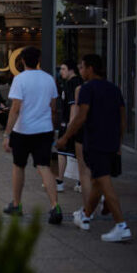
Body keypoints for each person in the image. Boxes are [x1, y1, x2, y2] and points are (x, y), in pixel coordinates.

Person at [57, 54, 131, 242]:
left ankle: (121, 225)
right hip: (111, 142)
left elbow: (81, 117)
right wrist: (119, 142)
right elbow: (123, 118)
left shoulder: (87, 89)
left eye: (82, 67)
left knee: (104, 184)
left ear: (90, 68)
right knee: (98, 183)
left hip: (96, 143)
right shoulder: (114, 89)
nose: (81, 71)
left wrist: (65, 137)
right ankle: (85, 215)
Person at [2, 46, 62, 225]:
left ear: (21, 61)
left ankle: (17, 204)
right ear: (38, 60)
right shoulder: (49, 79)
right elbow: (53, 106)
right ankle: (55, 206)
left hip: (23, 130)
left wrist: (7, 133)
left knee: (18, 166)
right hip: (44, 130)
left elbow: (15, 108)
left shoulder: (20, 79)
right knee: (44, 167)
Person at [55, 60, 84, 193]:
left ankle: (60, 181)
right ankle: (80, 181)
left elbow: (74, 105)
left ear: (71, 70)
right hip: (72, 122)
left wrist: (70, 125)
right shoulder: (74, 83)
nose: (61, 72)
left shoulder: (72, 83)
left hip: (69, 123)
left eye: (64, 69)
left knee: (62, 151)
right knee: (76, 153)